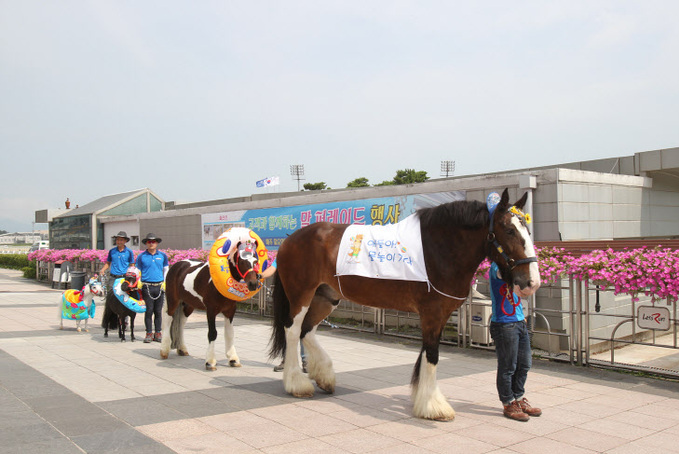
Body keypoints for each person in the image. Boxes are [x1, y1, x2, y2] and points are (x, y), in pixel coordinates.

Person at [488, 261, 542, 422]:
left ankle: (518, 397)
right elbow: (515, 279)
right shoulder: (497, 267)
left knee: (524, 363)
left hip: (519, 321)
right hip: (504, 324)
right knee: (508, 366)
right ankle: (508, 402)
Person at [261, 257, 307, 372]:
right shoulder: (284, 253)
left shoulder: (306, 254)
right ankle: (287, 360)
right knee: (287, 329)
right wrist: (259, 276)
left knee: (304, 329)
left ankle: (306, 361)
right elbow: (272, 269)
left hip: (302, 298)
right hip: (285, 297)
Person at [135, 233, 169, 343]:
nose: (151, 244)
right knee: (149, 311)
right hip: (147, 286)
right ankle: (148, 333)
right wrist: (138, 281)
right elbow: (137, 270)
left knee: (158, 311)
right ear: (146, 243)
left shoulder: (162, 255)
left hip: (159, 286)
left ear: (157, 243)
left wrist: (164, 282)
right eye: (149, 242)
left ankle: (158, 333)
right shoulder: (142, 256)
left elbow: (166, 269)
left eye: (153, 242)